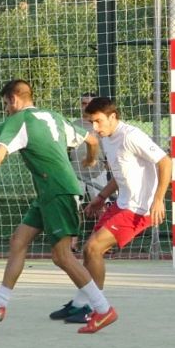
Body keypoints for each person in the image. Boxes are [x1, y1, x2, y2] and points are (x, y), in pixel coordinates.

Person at [0, 79, 117, 334]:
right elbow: (92, 139)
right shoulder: (54, 117)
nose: (6, 110)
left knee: (62, 256)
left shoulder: (17, 120)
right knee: (19, 240)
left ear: (13, 99)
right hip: (50, 193)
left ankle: (102, 308)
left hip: (57, 191)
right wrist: (90, 160)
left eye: (5, 104)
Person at [49, 96, 171, 323]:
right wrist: (102, 196)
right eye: (90, 122)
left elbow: (165, 161)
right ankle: (79, 304)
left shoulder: (131, 136)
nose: (94, 127)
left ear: (112, 117)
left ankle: (97, 308)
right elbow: (120, 173)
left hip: (138, 210)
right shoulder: (106, 138)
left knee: (94, 249)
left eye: (98, 121)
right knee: (88, 250)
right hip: (121, 204)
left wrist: (159, 199)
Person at [68, 91, 110, 253]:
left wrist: (106, 165)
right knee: (73, 208)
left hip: (97, 172)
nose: (86, 107)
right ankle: (72, 243)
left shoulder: (101, 125)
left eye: (89, 103)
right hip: (75, 173)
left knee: (102, 208)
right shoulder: (73, 125)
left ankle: (102, 245)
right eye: (83, 103)